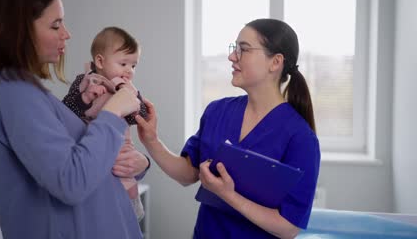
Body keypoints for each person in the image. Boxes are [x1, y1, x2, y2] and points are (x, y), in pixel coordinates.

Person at [0, 0, 145, 238]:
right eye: (56, 25)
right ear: (17, 29)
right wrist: (113, 112)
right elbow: (70, 181)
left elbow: (85, 157)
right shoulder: (13, 93)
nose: (67, 34)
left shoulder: (23, 91)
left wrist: (139, 162)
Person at [136, 18, 320, 238]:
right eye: (234, 48)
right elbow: (187, 174)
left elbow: (288, 227)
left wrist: (228, 195)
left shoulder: (300, 137)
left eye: (243, 49)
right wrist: (151, 139)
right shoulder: (217, 111)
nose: (232, 57)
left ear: (275, 62)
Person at [62, 26, 150, 221]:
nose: (129, 71)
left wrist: (131, 98)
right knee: (97, 207)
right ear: (100, 61)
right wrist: (85, 98)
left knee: (125, 202)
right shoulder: (84, 82)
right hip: (90, 150)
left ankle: (130, 214)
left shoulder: (129, 89)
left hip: (121, 152)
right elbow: (66, 112)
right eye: (123, 63)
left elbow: (141, 117)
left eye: (133, 66)